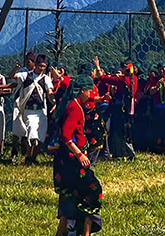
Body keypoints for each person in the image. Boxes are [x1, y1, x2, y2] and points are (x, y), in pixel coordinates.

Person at [52, 75, 104, 235]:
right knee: (93, 190)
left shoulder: (68, 104)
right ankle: (85, 232)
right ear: (82, 90)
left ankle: (66, 229)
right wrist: (80, 154)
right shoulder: (74, 108)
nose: (91, 94)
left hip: (64, 160)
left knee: (71, 193)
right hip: (72, 161)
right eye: (89, 90)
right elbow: (67, 136)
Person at [93, 57, 138, 160]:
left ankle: (124, 153)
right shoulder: (134, 79)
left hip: (120, 108)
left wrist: (98, 66)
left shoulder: (122, 80)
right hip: (129, 108)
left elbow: (103, 78)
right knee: (126, 131)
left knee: (119, 131)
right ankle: (126, 153)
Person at [14, 55, 53, 164]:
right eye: (40, 66)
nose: (42, 68)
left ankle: (33, 157)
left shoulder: (46, 79)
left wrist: (53, 101)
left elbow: (49, 91)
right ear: (35, 65)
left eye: (44, 66)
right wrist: (16, 69)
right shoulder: (26, 76)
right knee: (31, 133)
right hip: (29, 110)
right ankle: (28, 156)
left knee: (40, 137)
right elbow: (13, 76)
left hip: (41, 110)